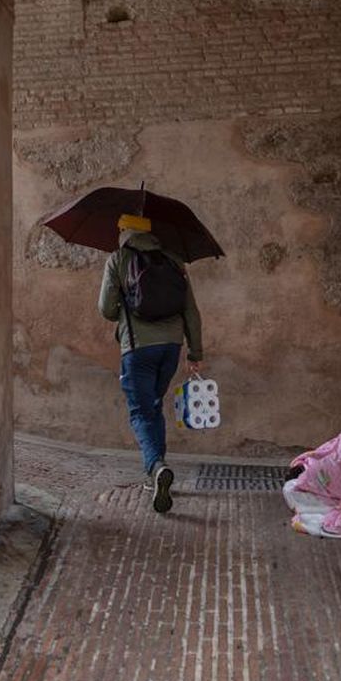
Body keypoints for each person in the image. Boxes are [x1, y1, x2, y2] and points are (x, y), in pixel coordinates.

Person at [99, 214, 204, 513]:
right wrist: (195, 353)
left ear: (123, 232)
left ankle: (156, 466)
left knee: (140, 412)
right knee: (153, 405)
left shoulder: (118, 260)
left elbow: (105, 309)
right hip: (171, 347)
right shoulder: (173, 260)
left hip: (137, 348)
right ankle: (157, 473)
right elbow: (191, 312)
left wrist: (123, 304)